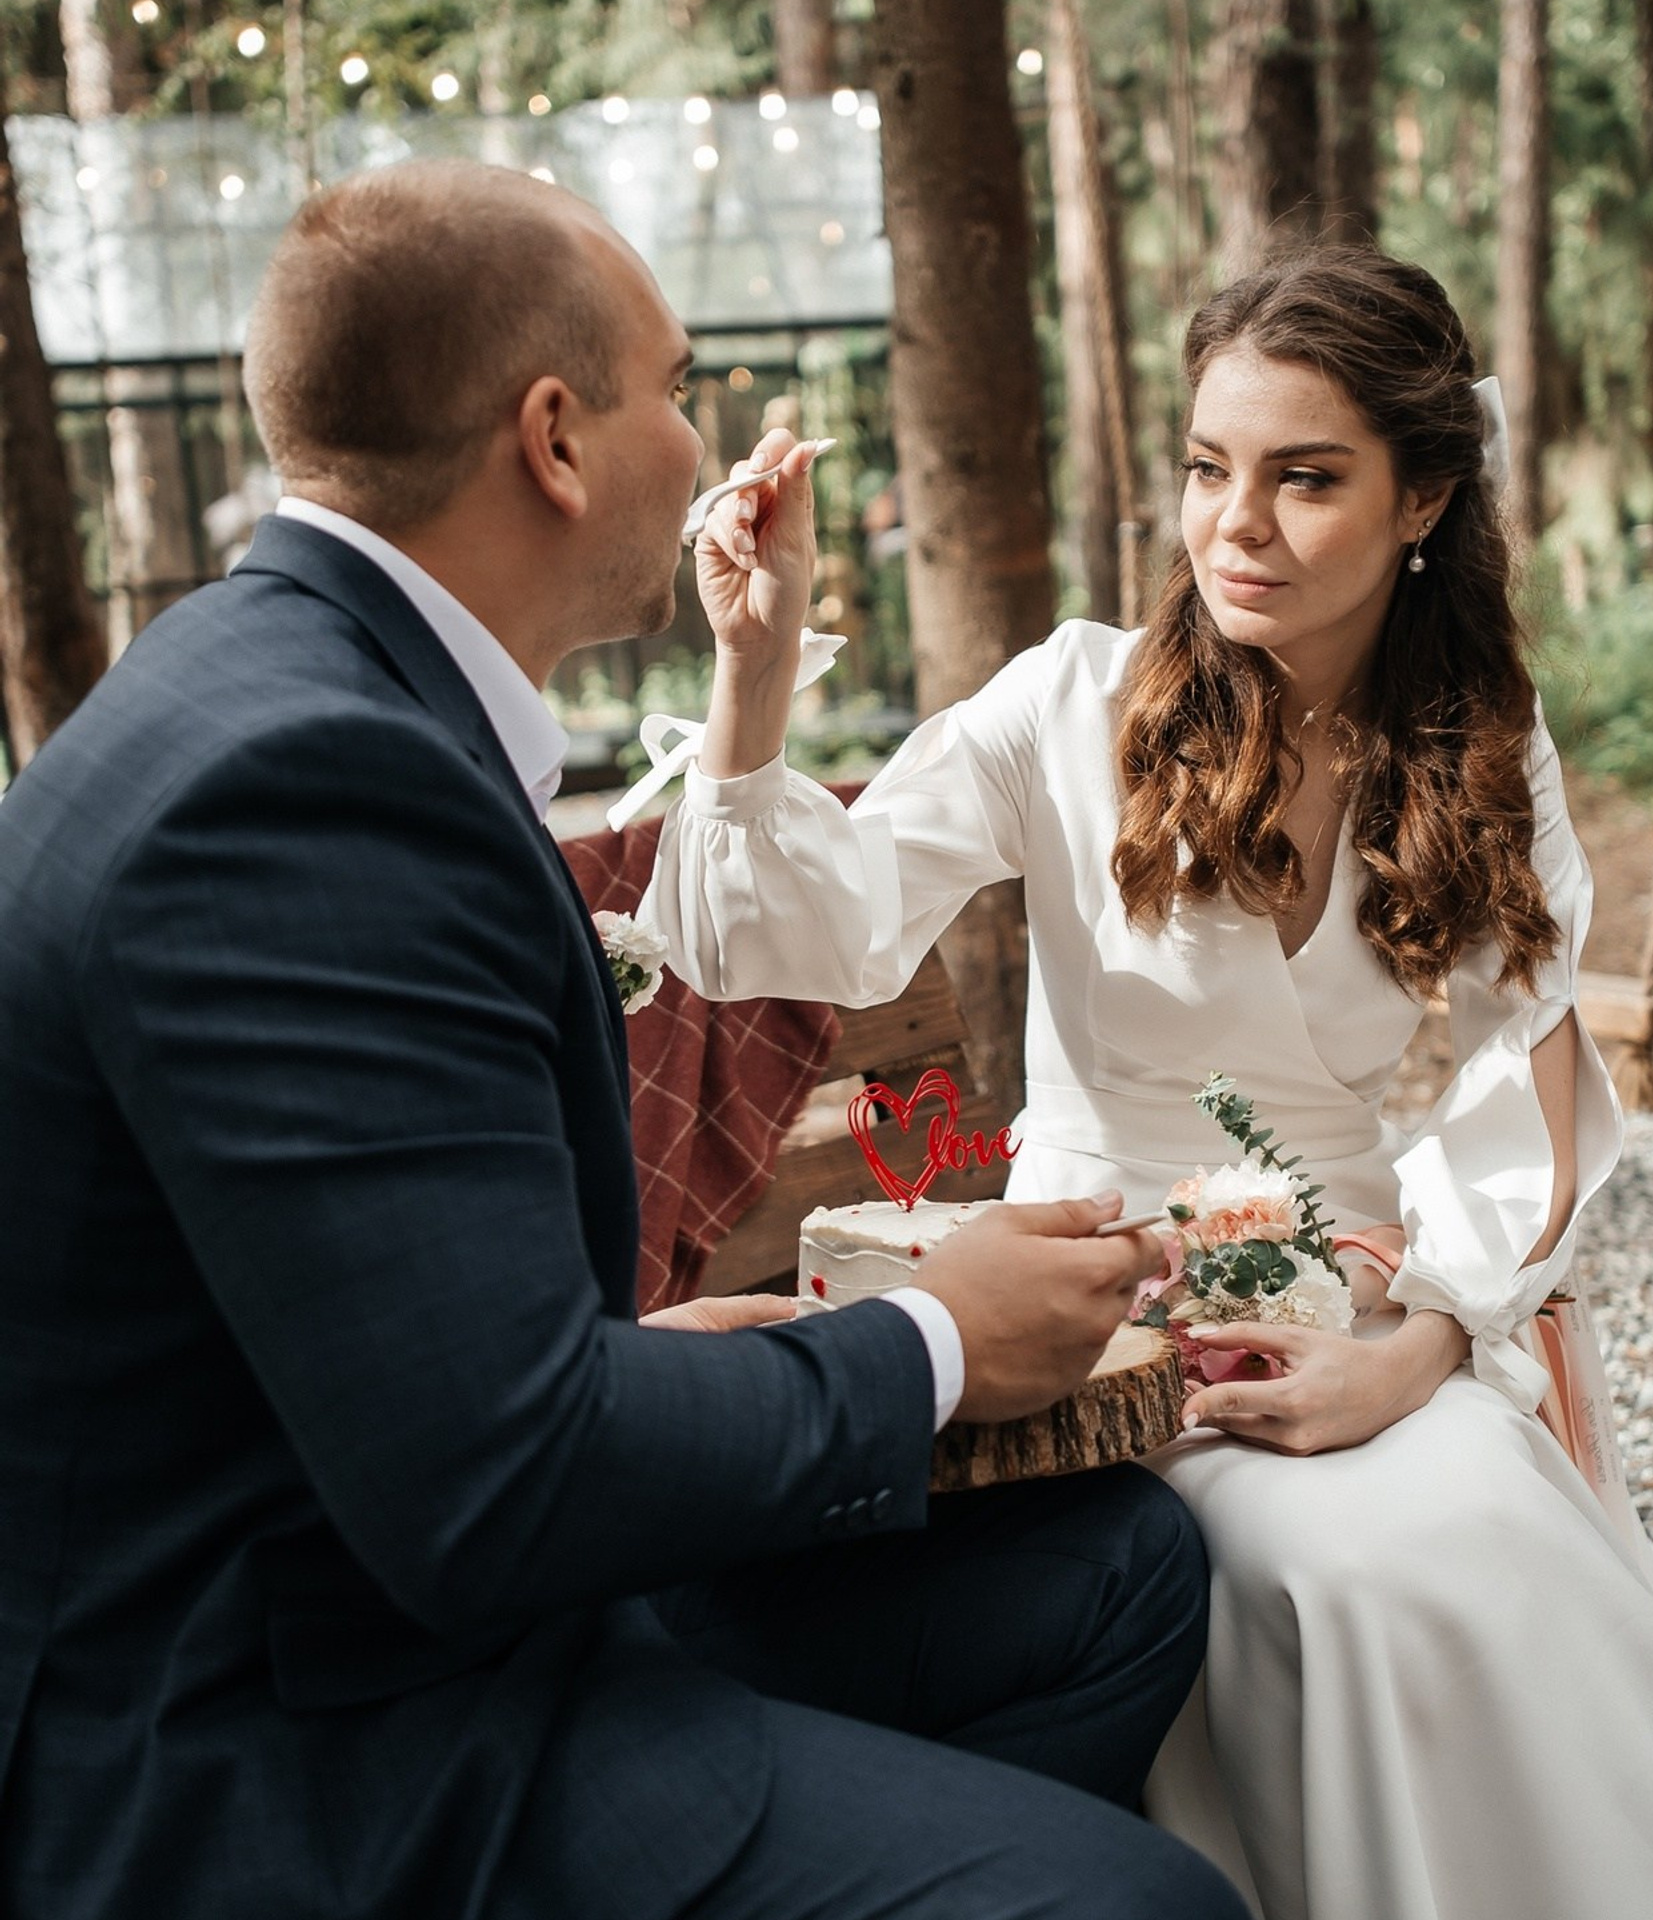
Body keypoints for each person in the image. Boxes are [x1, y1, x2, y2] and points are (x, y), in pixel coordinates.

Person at [0, 159, 1254, 1920]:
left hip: (387, 1566)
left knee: (1117, 1568)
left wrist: (671, 1345)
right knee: (1142, 1905)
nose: (702, 439)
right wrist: (932, 1344)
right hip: (284, 1738)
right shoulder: (309, 796)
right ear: (556, 439)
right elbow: (502, 1486)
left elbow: (392, 1320)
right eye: (676, 388)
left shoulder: (273, 680)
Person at [648, 245, 1653, 1919]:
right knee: (1349, 1574)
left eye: (1305, 478)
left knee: (1467, 1521)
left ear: (1422, 499)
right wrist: (753, 670)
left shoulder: (1485, 741)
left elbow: (1529, 1096)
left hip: (1366, 1304)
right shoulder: (1074, 702)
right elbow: (794, 938)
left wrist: (1417, 1350)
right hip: (1094, 1312)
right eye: (1206, 468)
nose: (1235, 522)